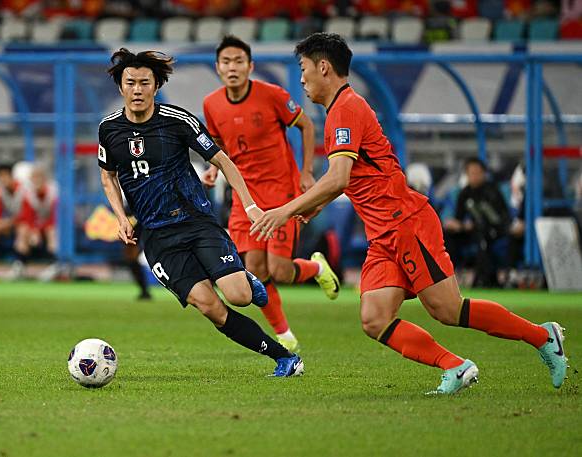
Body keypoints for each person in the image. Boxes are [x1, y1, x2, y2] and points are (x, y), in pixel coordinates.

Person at [250, 33, 568, 394]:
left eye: (304, 69)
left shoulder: (346, 109)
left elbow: (338, 178)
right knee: (374, 318)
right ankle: (456, 367)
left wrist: (285, 211)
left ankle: (543, 336)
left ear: (324, 67)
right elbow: (352, 177)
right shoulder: (342, 109)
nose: (302, 78)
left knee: (447, 309)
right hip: (384, 233)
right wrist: (313, 205)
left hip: (405, 223)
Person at [98, 48, 303, 377]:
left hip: (195, 221)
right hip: (157, 237)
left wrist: (249, 205)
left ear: (156, 86)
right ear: (121, 87)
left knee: (238, 296)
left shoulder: (177, 121)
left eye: (144, 83)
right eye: (130, 83)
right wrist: (122, 218)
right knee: (210, 307)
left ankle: (246, 281)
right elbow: (107, 176)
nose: (137, 89)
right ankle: (285, 358)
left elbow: (222, 160)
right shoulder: (109, 129)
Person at [202, 35, 340, 352]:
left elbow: (306, 125)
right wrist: (213, 168)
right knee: (254, 273)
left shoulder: (273, 95)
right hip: (245, 198)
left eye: (239, 61)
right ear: (218, 68)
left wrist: (306, 173)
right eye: (226, 62)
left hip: (281, 193)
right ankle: (285, 334)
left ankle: (316, 267)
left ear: (250, 66)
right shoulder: (211, 104)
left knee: (279, 270)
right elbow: (218, 144)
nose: (232, 67)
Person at [444, 158, 511, 287]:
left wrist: (470, 225)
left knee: (483, 237)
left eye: (477, 173)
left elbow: (500, 218)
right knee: (447, 236)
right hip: (472, 230)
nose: (474, 176)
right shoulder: (465, 192)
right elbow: (459, 217)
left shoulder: (492, 191)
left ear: (484, 173)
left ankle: (483, 279)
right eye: (471, 173)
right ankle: (448, 277)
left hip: (494, 231)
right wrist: (455, 224)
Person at [14, 165, 58, 280]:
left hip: (49, 225)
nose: (36, 181)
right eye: (34, 178)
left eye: (39, 177)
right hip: (35, 227)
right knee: (22, 229)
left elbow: (54, 217)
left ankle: (54, 266)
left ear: (44, 179)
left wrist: (39, 228)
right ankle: (20, 265)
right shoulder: (28, 193)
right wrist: (34, 230)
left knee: (52, 231)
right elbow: (27, 216)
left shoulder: (53, 192)